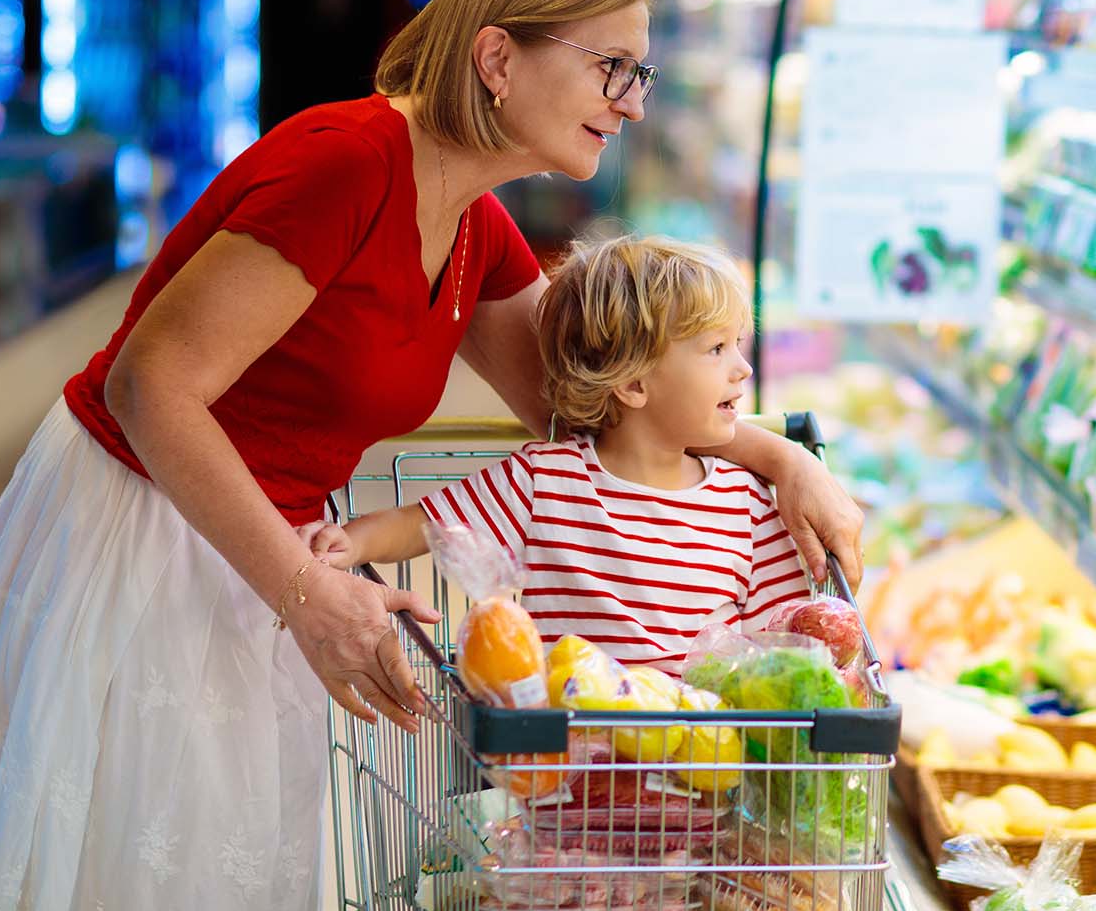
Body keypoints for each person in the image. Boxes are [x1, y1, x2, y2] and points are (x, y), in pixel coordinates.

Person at [0, 0, 862, 911]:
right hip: (145, 523)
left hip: (261, 544)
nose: (634, 102)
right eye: (611, 67)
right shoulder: (344, 166)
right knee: (140, 883)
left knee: (224, 880)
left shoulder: (469, 223)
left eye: (640, 72)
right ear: (498, 58)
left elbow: (592, 404)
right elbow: (154, 388)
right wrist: (304, 589)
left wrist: (778, 458)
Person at [299, 236, 812, 673]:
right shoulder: (547, 480)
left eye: (738, 345)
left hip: (706, 766)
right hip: (567, 777)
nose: (742, 369)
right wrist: (351, 541)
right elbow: (423, 525)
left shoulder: (746, 504)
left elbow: (784, 639)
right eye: (716, 348)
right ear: (633, 383)